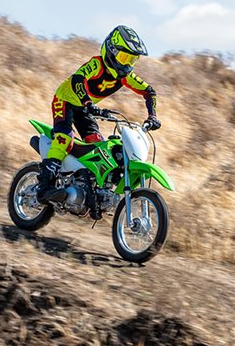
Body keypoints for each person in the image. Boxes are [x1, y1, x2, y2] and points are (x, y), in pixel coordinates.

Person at [36, 25, 161, 220]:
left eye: (131, 59)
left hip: (85, 108)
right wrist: (88, 103)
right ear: (111, 51)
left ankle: (86, 188)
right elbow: (78, 79)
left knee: (98, 147)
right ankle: (44, 186)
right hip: (65, 101)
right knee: (63, 139)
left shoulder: (125, 77)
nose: (127, 64)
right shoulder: (97, 65)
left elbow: (149, 91)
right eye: (124, 57)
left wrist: (152, 116)